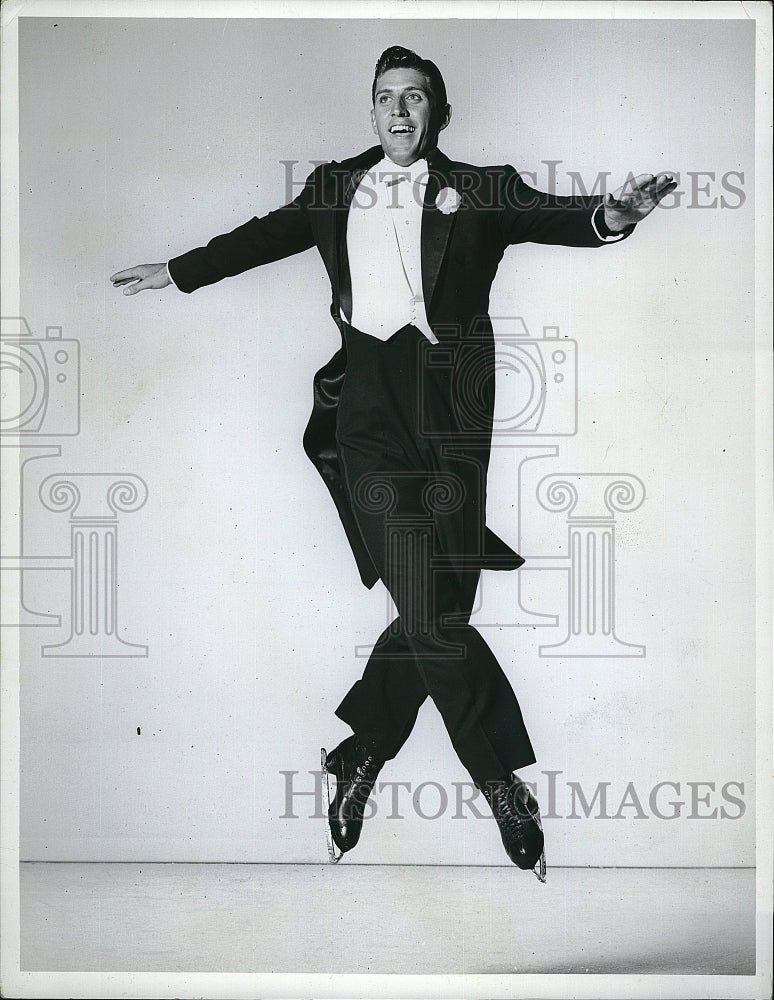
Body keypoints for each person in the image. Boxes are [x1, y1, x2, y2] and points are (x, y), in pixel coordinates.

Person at [111, 45, 676, 882]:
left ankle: (361, 755)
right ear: (371, 113)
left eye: (416, 99)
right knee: (430, 606)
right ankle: (502, 784)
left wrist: (618, 213)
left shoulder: (483, 187)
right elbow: (264, 237)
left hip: (452, 415)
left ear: (441, 115)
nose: (399, 112)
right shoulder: (335, 185)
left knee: (433, 609)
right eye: (385, 99)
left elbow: (566, 218)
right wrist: (179, 271)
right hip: (367, 410)